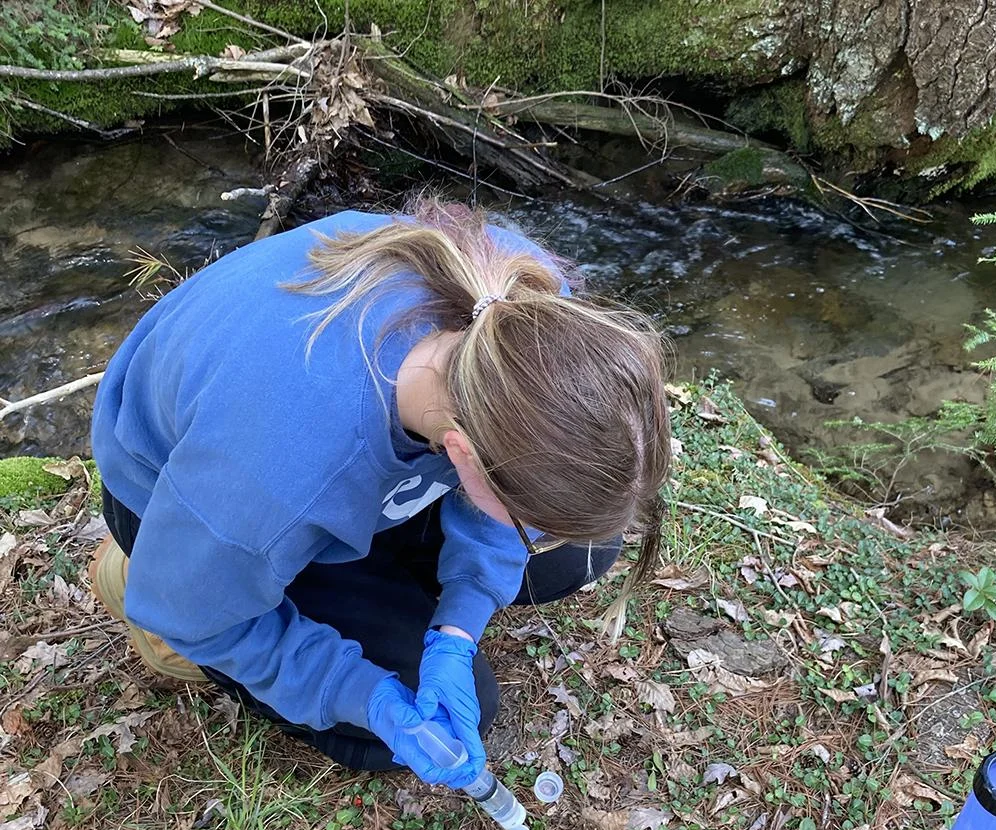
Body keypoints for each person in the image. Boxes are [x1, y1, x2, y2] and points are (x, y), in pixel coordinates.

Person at [88, 196, 671, 785]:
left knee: (583, 549)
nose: (532, 530)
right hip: (184, 503)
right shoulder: (277, 471)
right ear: (463, 456)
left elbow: (523, 485)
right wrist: (366, 697)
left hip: (341, 466)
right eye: (524, 517)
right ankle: (149, 567)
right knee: (396, 723)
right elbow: (199, 616)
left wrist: (458, 627)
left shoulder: (532, 310)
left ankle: (376, 580)